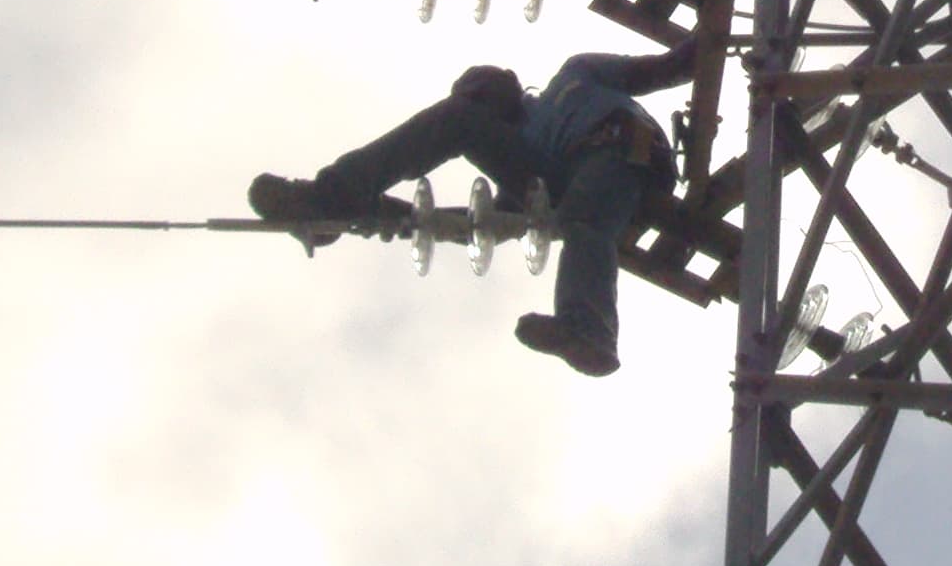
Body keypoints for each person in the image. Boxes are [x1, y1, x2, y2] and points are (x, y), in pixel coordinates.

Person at [246, 38, 696, 377]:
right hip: (560, 177)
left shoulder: (577, 73)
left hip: (622, 152)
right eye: (473, 98)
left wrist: (708, 42)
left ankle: (588, 329)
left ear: (510, 80)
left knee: (584, 213)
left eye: (480, 93)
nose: (478, 103)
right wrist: (398, 218)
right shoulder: (520, 152)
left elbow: (662, 69)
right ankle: (332, 198)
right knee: (456, 125)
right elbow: (489, 225)